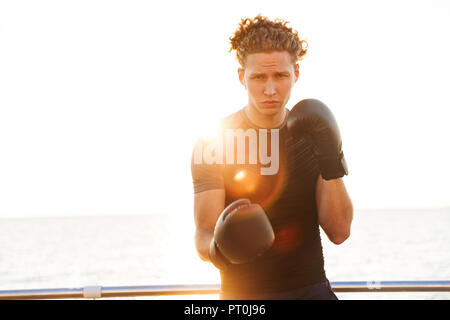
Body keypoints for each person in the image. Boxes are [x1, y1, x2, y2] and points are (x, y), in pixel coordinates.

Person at [191, 15, 353, 300]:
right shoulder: (215, 142)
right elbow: (203, 232)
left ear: (296, 74)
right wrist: (217, 250)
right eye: (258, 77)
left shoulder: (313, 133)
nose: (270, 90)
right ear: (242, 76)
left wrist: (332, 162)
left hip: (310, 292)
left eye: (280, 76)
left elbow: (339, 232)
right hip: (244, 297)